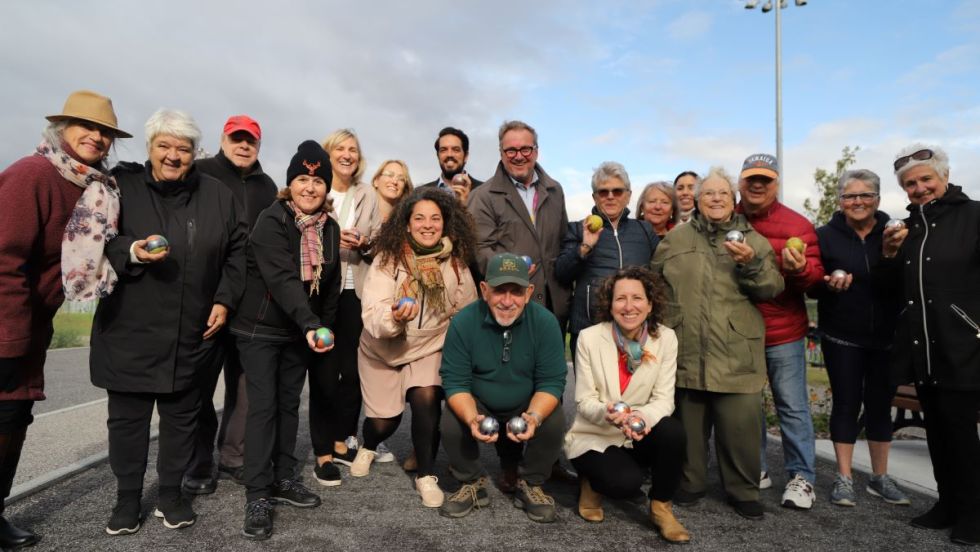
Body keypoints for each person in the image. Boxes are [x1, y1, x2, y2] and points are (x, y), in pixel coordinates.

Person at [89, 109, 246, 535]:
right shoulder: (121, 185)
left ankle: (172, 494)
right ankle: (126, 499)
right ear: (149, 147)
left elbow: (237, 252)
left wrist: (225, 300)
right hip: (129, 328)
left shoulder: (217, 194)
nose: (173, 156)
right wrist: (133, 251)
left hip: (192, 329)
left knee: (182, 417)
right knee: (127, 421)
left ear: (196, 153)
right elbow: (95, 237)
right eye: (165, 146)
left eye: (183, 148)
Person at [0, 90, 129, 549]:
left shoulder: (97, 187)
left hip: (32, 324)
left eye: (105, 132)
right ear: (61, 130)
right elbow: (3, 259)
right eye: (86, 127)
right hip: (6, 324)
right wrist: (10, 338)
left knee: (14, 418)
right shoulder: (31, 175)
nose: (97, 136)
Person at [652, 167, 784, 520]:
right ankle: (691, 482)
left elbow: (772, 288)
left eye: (723, 193)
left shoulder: (752, 240)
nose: (715, 198)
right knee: (689, 428)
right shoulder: (675, 240)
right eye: (708, 193)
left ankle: (743, 490)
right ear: (696, 200)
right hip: (687, 347)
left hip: (736, 349)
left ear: (733, 199)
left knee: (739, 428)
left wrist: (751, 265)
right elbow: (656, 288)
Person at [229, 141, 340, 540]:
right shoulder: (271, 220)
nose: (309, 187)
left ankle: (282, 476)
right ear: (289, 183)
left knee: (289, 406)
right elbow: (282, 280)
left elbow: (330, 282)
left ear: (326, 186)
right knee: (264, 408)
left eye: (317, 180)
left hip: (300, 331)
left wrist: (323, 330)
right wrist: (312, 324)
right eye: (301, 179)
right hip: (260, 329)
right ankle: (257, 493)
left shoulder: (330, 227)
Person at [350, 187, 478, 508]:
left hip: (429, 345)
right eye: (419, 217)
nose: (427, 224)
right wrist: (394, 317)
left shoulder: (457, 264)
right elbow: (372, 312)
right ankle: (370, 444)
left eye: (435, 218)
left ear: (445, 224)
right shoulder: (387, 259)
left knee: (427, 398)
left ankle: (426, 475)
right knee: (384, 422)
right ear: (407, 224)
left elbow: (467, 311)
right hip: (383, 346)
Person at [878, 144, 980, 546]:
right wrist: (887, 256)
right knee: (935, 431)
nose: (919, 188)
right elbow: (891, 291)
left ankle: (974, 513)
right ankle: (948, 504)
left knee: (960, 432)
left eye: (926, 179)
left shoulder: (974, 217)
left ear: (945, 176)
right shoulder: (908, 228)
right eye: (910, 183)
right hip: (923, 349)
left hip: (963, 345)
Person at [467, 120, 575, 484]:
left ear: (536, 151)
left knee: (549, 380)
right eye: (511, 150)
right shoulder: (484, 196)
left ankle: (547, 455)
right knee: (513, 377)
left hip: (552, 300)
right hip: (511, 301)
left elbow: (560, 243)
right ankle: (510, 460)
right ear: (500, 153)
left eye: (525, 149)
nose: (519, 156)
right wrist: (509, 273)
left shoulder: (554, 190)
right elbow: (479, 249)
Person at [185, 114, 278, 495]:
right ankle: (199, 461)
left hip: (251, 302)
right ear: (223, 139)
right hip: (206, 298)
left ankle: (234, 456)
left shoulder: (267, 185)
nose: (244, 146)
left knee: (245, 387)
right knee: (198, 386)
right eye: (237, 138)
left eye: (250, 141)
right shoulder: (200, 172)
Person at [438, 253, 567, 522]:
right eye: (499, 291)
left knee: (554, 418)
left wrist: (533, 416)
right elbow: (455, 382)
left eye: (516, 291)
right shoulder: (463, 322)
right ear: (484, 290)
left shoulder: (545, 323)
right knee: (451, 419)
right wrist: (472, 418)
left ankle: (530, 483)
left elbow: (551, 382)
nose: (507, 301)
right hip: (480, 402)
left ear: (529, 292)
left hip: (525, 402)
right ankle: (472, 482)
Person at [564, 266, 690, 543]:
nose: (629, 306)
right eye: (620, 298)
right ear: (609, 305)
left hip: (639, 431)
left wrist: (641, 418)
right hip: (596, 434)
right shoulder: (589, 338)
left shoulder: (666, 338)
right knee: (624, 484)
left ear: (650, 303)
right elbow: (584, 401)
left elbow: (663, 399)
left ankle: (661, 508)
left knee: (673, 432)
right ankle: (590, 481)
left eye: (637, 298)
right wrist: (607, 414)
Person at [812, 169, 909, 508]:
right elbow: (810, 284)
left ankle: (879, 478)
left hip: (886, 336)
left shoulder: (895, 233)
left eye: (865, 195)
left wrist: (891, 253)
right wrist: (826, 283)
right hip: (842, 335)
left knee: (881, 406)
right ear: (840, 202)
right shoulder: (825, 236)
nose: (857, 202)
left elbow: (904, 280)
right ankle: (844, 477)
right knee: (846, 403)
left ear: (878, 199)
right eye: (850, 196)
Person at [736, 153, 824, 510]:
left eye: (766, 180)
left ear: (776, 184)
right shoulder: (727, 217)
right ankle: (755, 467)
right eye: (751, 179)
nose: (758, 185)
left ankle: (802, 477)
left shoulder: (797, 225)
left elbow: (816, 280)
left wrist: (800, 270)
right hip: (740, 330)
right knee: (747, 406)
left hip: (783, 332)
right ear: (741, 182)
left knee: (792, 406)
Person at [307, 129, 383, 486]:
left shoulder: (368, 193)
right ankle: (322, 452)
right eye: (341, 148)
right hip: (323, 292)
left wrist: (366, 243)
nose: (348, 154)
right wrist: (335, 242)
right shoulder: (314, 187)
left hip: (358, 291)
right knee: (324, 372)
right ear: (328, 153)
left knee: (353, 374)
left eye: (353, 149)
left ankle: (341, 439)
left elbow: (379, 240)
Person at [555, 162, 657, 359]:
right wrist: (585, 247)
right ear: (594, 197)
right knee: (591, 390)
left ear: (628, 196)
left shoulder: (644, 231)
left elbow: (659, 275)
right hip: (589, 328)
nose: (610, 196)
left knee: (634, 389)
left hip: (636, 329)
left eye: (617, 191)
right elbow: (561, 273)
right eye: (603, 192)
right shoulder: (577, 229)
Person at [421, 127, 482, 203]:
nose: (449, 154)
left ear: (466, 156)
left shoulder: (483, 191)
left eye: (456, 149)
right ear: (438, 156)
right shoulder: (421, 194)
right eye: (443, 150)